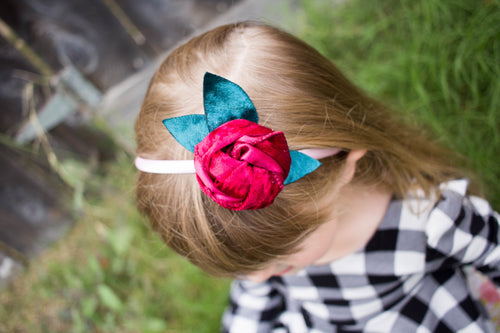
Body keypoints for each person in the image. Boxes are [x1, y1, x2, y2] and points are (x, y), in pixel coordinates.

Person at [134, 21, 500, 332]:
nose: (259, 278)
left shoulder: (429, 220)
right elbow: (252, 302)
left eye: (282, 261)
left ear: (347, 162)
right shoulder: (266, 248)